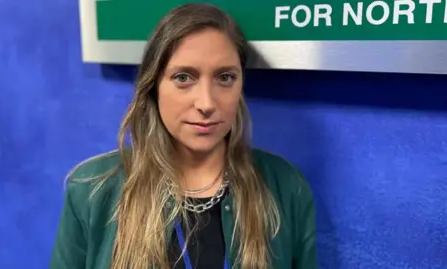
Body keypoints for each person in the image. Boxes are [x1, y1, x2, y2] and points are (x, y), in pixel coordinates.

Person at [50, 3, 317, 269]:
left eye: (225, 78)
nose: (207, 103)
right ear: (153, 86)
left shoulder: (285, 187)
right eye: (183, 77)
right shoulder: (92, 189)